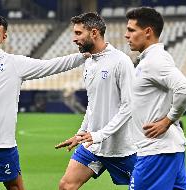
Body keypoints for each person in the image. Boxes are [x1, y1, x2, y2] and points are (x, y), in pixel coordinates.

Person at [0, 14, 90, 190]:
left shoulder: (15, 64)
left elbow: (51, 65)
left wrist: (84, 55)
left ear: (4, 37)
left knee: (15, 188)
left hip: (2, 146)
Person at [55, 12, 137, 190]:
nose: (74, 39)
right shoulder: (89, 62)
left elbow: (129, 106)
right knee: (66, 186)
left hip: (122, 148)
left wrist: (99, 135)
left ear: (94, 33)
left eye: (78, 33)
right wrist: (81, 133)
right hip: (92, 146)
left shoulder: (121, 62)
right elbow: (93, 104)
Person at [125, 7, 186, 190]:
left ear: (148, 32)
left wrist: (168, 120)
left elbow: (184, 89)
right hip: (168, 150)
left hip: (155, 153)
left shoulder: (154, 61)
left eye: (131, 30)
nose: (126, 35)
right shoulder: (150, 60)